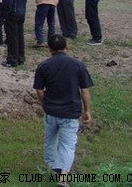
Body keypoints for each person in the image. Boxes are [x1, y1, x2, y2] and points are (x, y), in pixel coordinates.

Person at [33, 34, 93, 184]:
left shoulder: (44, 66)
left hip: (51, 112)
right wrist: (87, 111)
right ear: (67, 47)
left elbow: (39, 90)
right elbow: (84, 91)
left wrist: (45, 102)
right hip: (70, 112)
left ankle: (52, 169)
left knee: (50, 141)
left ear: (49, 48)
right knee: (67, 145)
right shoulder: (78, 65)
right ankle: (63, 176)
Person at [0, 0, 27, 67]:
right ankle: (20, 57)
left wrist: (4, 15)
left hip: (12, 15)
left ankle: (12, 60)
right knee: (20, 37)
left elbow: (8, 2)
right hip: (21, 13)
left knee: (12, 38)